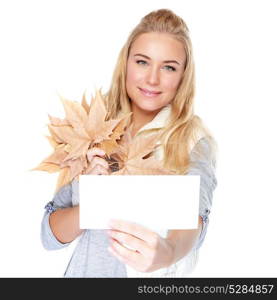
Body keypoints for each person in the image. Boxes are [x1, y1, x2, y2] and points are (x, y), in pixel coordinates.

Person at [41, 8, 218, 277]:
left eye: (168, 67)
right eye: (142, 62)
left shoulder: (190, 140)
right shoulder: (93, 129)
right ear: (125, 63)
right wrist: (91, 202)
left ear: (183, 76)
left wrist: (168, 251)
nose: (152, 79)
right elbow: (49, 235)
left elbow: (195, 222)